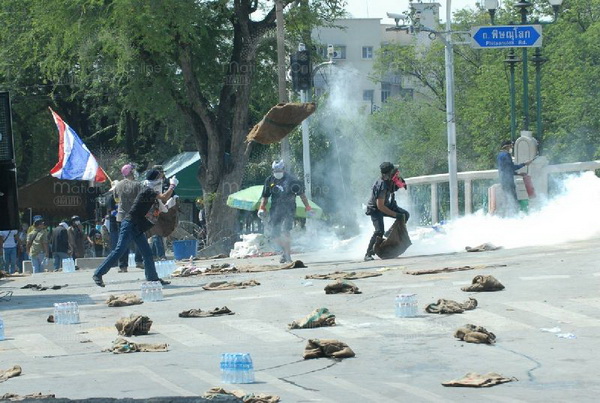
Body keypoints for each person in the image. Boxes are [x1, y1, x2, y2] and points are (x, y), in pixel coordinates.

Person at [92, 169, 178, 287]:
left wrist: (169, 204)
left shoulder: (149, 190)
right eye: (160, 178)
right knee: (119, 251)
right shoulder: (148, 190)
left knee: (147, 254)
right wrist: (172, 185)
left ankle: (152, 278)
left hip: (136, 227)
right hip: (130, 224)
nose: (162, 180)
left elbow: (160, 207)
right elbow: (163, 197)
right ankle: (98, 273)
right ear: (155, 180)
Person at [257, 160, 313, 263]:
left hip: (289, 208)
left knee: (286, 231)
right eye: (275, 170)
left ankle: (287, 256)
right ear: (273, 170)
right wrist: (262, 208)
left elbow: (302, 195)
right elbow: (265, 196)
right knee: (274, 235)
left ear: (283, 169)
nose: (277, 172)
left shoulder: (292, 180)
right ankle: (285, 252)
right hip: (275, 209)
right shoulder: (269, 180)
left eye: (279, 170)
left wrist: (308, 207)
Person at [364, 162, 410, 261]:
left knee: (405, 215)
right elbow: (380, 206)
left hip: (386, 205)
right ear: (388, 173)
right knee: (379, 231)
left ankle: (390, 233)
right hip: (375, 209)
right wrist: (396, 215)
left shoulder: (389, 181)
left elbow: (397, 186)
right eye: (393, 171)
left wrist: (400, 183)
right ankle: (368, 253)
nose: (396, 173)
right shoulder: (382, 185)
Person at [113, 163, 143, 272]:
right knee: (140, 239)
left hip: (121, 217)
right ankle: (139, 261)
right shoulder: (138, 185)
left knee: (122, 243)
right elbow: (141, 199)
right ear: (130, 172)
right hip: (134, 216)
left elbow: (116, 200)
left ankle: (123, 266)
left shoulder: (118, 185)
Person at [497, 140, 534, 216]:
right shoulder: (506, 155)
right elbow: (511, 167)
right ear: (506, 146)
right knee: (513, 201)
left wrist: (518, 174)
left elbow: (506, 169)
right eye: (510, 146)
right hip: (508, 182)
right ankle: (514, 217)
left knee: (507, 199)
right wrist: (524, 164)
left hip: (503, 180)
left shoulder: (499, 155)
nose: (511, 148)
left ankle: (507, 216)